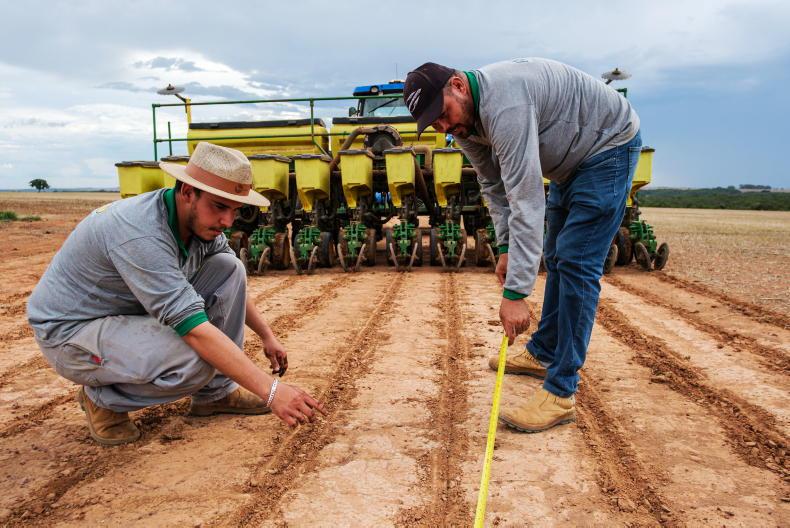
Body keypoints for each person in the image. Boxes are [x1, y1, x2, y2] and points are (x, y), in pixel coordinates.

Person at [27, 142, 325, 445]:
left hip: (126, 313)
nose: (227, 222)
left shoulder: (200, 225)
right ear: (186, 193)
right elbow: (192, 330)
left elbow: (228, 281)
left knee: (228, 266)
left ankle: (215, 395)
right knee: (196, 362)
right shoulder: (141, 233)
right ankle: (103, 400)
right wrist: (271, 391)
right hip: (72, 331)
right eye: (219, 206)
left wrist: (266, 335)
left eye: (235, 210)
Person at [404, 59, 641, 433]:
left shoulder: (505, 105)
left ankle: (561, 392)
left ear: (458, 86)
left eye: (443, 113)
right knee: (559, 257)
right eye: (435, 124)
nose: (445, 127)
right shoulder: (465, 126)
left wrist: (516, 293)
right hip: (570, 162)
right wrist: (505, 248)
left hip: (607, 149)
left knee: (578, 263)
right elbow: (494, 188)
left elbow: (527, 199)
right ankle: (544, 351)